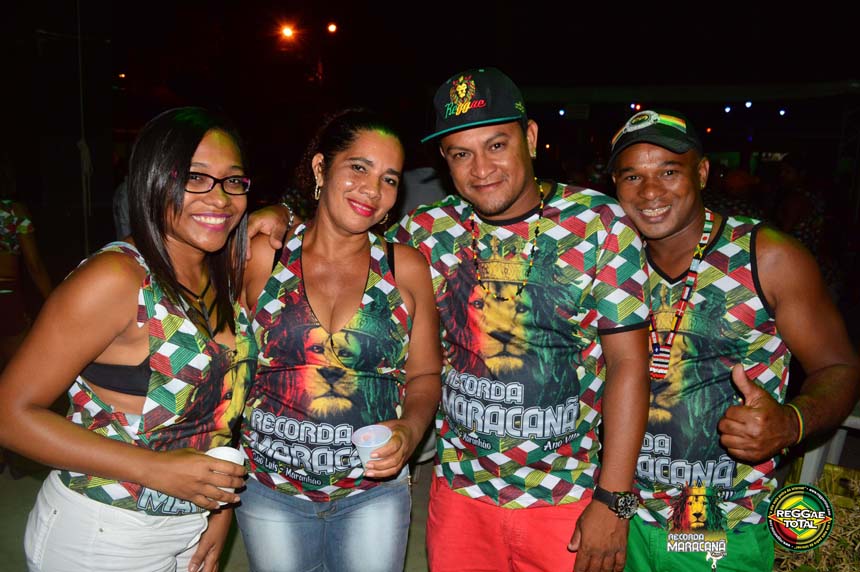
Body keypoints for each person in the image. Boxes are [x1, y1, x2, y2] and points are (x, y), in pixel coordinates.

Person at [389, 67, 652, 572]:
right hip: (460, 493)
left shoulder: (598, 223)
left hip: (570, 498)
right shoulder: (424, 232)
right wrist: (283, 221)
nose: (481, 169)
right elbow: (344, 263)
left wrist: (614, 501)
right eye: (461, 154)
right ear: (444, 159)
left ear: (530, 138)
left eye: (496, 145)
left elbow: (628, 365)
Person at [0, 107, 256, 572]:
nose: (220, 198)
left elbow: (219, 411)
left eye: (233, 180)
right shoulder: (117, 278)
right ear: (153, 179)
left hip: (189, 524)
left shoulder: (217, 272)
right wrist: (153, 469)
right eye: (196, 177)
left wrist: (219, 508)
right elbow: (9, 415)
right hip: (103, 531)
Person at [606, 109, 860, 571]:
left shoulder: (768, 257)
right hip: (618, 512)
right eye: (632, 176)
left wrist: (792, 422)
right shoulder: (608, 259)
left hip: (710, 520)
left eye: (668, 171)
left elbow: (839, 366)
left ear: (702, 173)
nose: (650, 192)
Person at [236, 108, 442, 572]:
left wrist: (410, 430)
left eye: (389, 179)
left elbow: (426, 372)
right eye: (358, 167)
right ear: (320, 168)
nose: (372, 189)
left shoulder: (405, 267)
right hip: (271, 487)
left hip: (373, 492)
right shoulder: (266, 255)